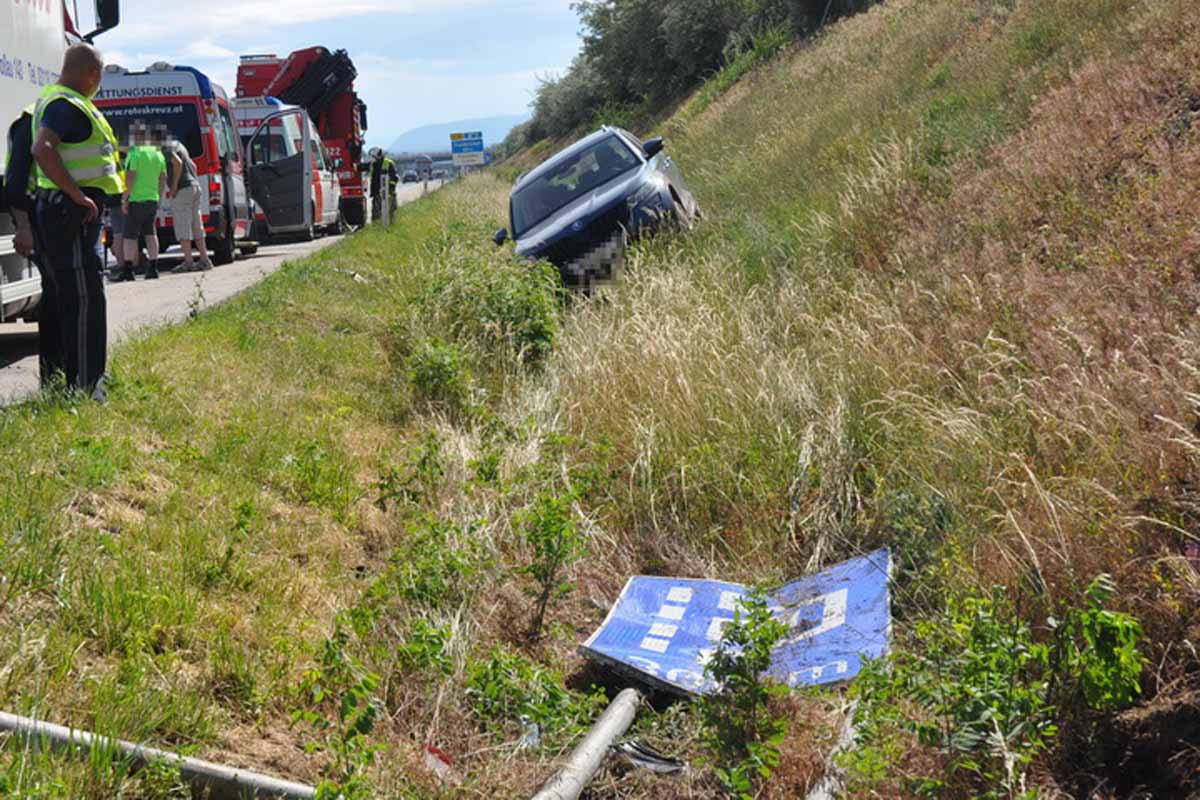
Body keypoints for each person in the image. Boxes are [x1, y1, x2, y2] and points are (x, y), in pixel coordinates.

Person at [30, 43, 124, 400]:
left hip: (69, 213)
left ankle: (84, 379)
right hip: (70, 213)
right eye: (98, 77)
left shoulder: (62, 101)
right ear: (91, 74)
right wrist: (75, 194)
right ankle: (86, 387)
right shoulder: (64, 104)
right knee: (85, 299)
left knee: (78, 298)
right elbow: (43, 149)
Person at [5, 103, 65, 384]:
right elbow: (15, 183)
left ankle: (66, 378)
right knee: (57, 302)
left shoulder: (49, 114)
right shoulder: (34, 120)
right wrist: (25, 227)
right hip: (47, 221)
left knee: (60, 301)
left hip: (57, 221)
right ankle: (57, 379)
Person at [113, 122, 166, 281]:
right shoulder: (158, 154)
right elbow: (163, 177)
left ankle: (128, 270)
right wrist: (159, 195)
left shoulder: (135, 153)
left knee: (130, 236)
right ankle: (153, 267)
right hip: (152, 199)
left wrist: (125, 197)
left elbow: (130, 176)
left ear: (136, 137)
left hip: (136, 199)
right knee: (151, 233)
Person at [164, 133, 210, 272]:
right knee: (197, 225)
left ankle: (188, 262)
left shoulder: (165, 148)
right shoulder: (179, 145)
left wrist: (174, 186)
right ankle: (204, 259)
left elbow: (177, 163)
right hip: (195, 187)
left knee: (182, 225)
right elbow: (193, 166)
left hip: (183, 189)